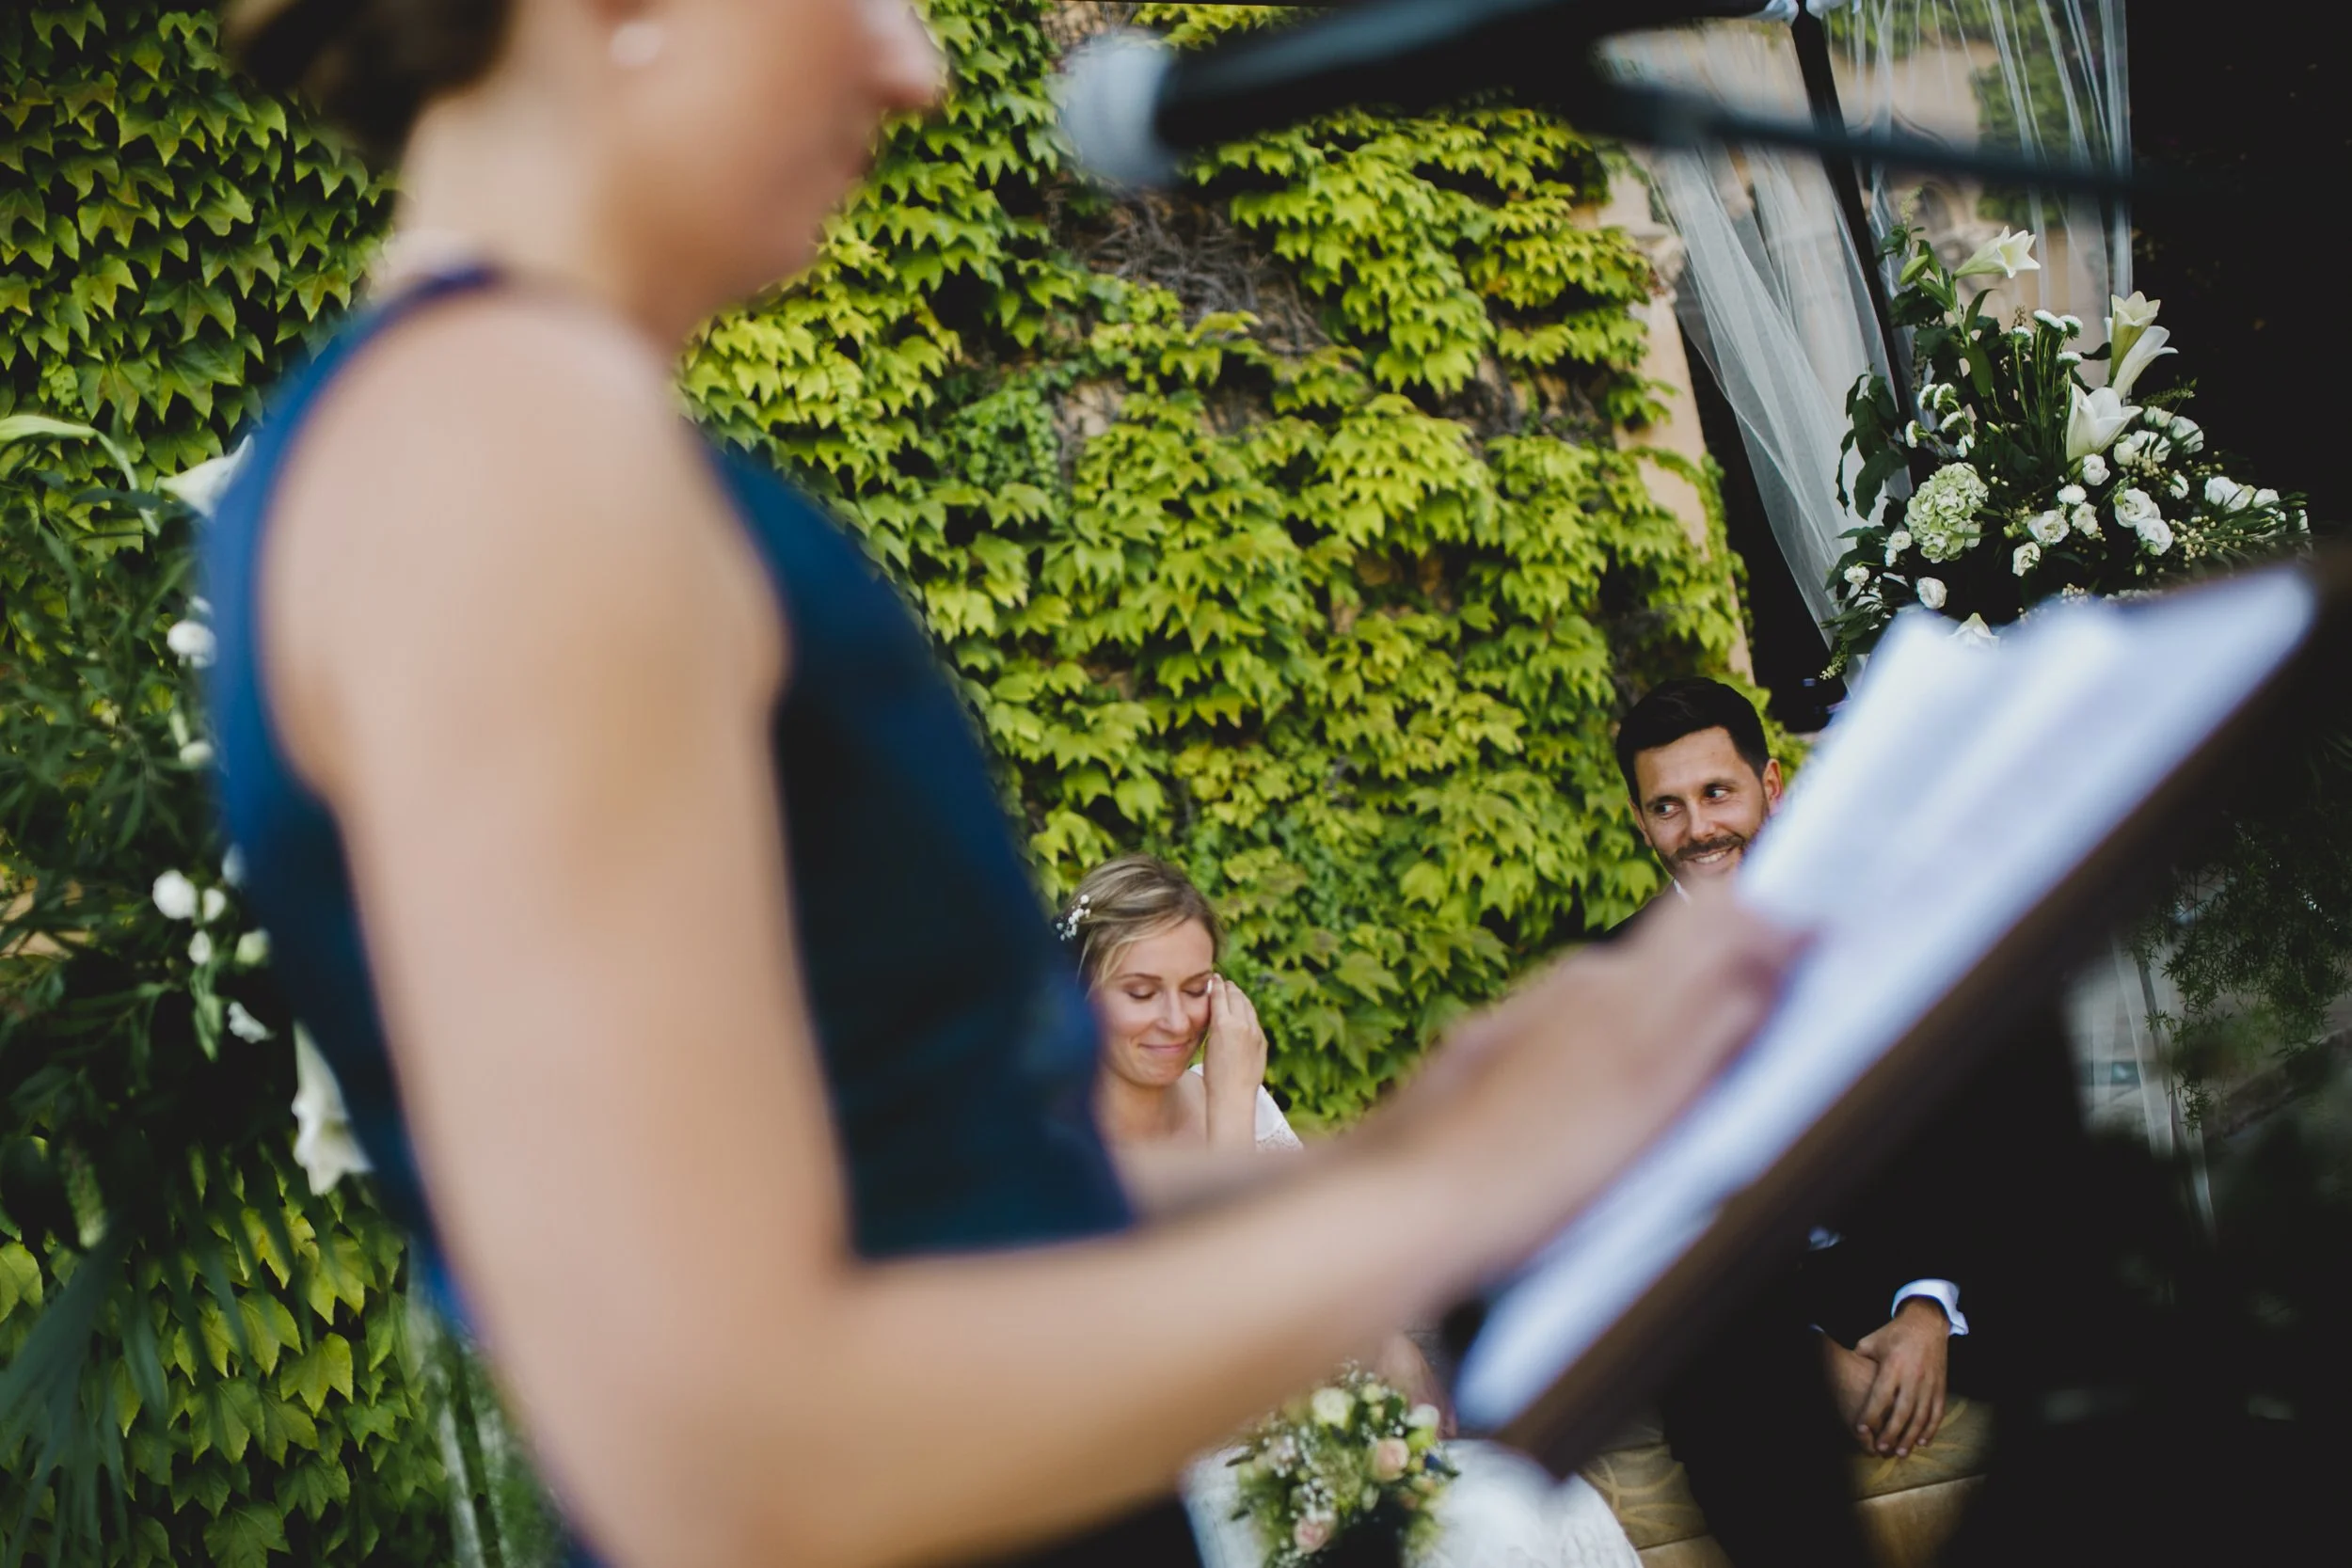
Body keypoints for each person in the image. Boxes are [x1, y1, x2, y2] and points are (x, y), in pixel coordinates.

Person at [202, 3, 1802, 1566]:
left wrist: (1425, 1149)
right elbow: (726, 1464)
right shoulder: (507, 461)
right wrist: (1444, 1195)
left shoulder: (491, 430)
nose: (915, 66)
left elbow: (937, 1220)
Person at [1050, 867, 1642, 1568]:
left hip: (1312, 1434)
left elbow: (1320, 1266)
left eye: (1197, 987)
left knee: (1552, 1505)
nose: (1178, 1022)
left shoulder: (1236, 1097)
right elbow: (1201, 1331)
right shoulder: (1060, 1153)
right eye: (1142, 992)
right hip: (1184, 1487)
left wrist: (1387, 1343)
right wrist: (1230, 1107)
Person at [1611, 678, 1982, 1568]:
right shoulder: (1615, 982)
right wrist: (1808, 1361)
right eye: (1666, 806)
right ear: (1640, 819)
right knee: (1726, 1393)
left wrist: (1928, 1308)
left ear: (1770, 786)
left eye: (1716, 793)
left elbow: (1960, 1126)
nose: (1697, 828)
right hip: (1735, 1306)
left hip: (1903, 1258)